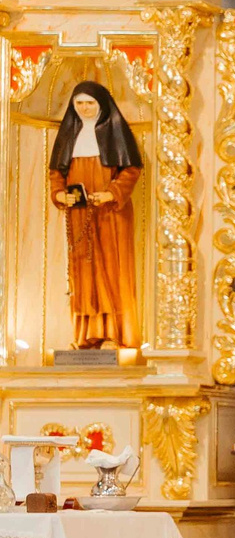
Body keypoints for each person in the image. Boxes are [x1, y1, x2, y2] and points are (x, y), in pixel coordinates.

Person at [47, 82, 144, 351]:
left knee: (113, 272)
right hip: (79, 216)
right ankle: (86, 337)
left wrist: (112, 193)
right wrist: (59, 195)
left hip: (110, 215)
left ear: (101, 105)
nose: (84, 108)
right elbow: (57, 173)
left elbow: (131, 170)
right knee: (83, 274)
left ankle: (114, 335)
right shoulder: (69, 135)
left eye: (90, 103)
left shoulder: (115, 132)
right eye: (79, 103)